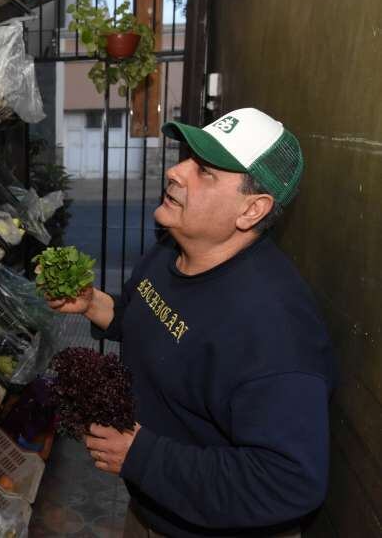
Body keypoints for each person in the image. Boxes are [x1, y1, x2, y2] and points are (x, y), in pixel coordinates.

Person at [47, 108, 336, 537]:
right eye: (188, 158)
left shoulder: (274, 328)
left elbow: (289, 481)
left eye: (204, 171)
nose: (176, 171)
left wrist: (142, 457)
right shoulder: (171, 250)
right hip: (154, 508)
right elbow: (150, 320)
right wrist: (95, 304)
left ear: (252, 210)